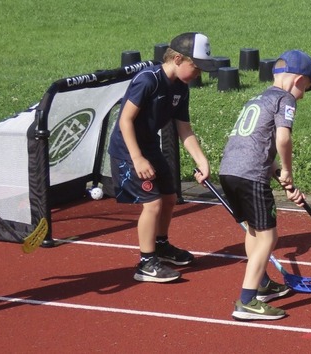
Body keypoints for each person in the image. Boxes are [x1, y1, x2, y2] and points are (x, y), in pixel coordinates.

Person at [218, 50, 311, 321]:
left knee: (254, 230)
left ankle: (261, 284)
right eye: (307, 88)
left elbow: (255, 146)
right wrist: (287, 169)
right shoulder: (285, 98)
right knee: (268, 237)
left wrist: (283, 178)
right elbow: (283, 140)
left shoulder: (259, 97)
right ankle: (247, 301)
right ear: (299, 80)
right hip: (251, 175)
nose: (304, 95)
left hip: (229, 170)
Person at [108, 32, 213, 283]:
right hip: (128, 150)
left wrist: (201, 160)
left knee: (169, 197)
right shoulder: (148, 81)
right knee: (152, 203)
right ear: (178, 59)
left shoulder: (181, 88)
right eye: (197, 68)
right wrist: (137, 158)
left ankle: (161, 245)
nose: (200, 74)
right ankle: (146, 262)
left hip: (150, 147)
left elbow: (184, 128)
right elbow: (125, 120)